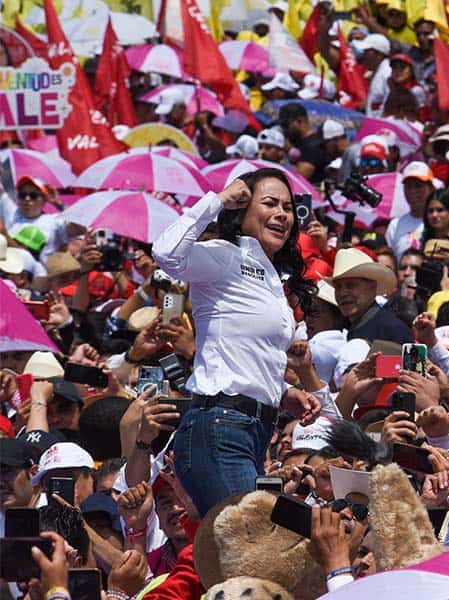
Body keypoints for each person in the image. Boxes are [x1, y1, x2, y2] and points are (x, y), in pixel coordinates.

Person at [152, 168, 321, 516]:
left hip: (253, 431)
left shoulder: (273, 276)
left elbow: (244, 352)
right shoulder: (224, 255)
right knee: (251, 543)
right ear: (241, 209)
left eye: (288, 208)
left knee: (240, 554)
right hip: (220, 428)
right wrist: (217, 200)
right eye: (270, 203)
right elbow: (167, 254)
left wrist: (283, 392)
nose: (281, 214)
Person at [331, 247, 412, 344]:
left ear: (372, 287)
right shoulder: (340, 328)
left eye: (350, 285)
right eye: (338, 287)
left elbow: (417, 359)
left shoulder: (396, 329)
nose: (342, 293)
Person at [385, 162, 436, 259]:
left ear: (431, 188)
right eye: (408, 186)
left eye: (418, 186)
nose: (412, 191)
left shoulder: (438, 221)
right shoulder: (395, 225)